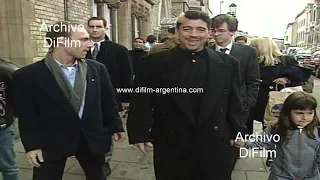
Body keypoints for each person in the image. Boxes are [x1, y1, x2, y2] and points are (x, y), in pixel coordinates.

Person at [127, 10, 245, 180]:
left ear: (209, 32)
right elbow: (141, 100)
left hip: (214, 142)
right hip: (171, 141)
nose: (194, 35)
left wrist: (238, 131)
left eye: (201, 29)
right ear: (177, 31)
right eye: (187, 29)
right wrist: (139, 132)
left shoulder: (228, 63)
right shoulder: (151, 63)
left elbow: (234, 101)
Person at [12, 21, 125, 180]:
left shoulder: (97, 69)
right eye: (83, 39)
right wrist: (32, 146)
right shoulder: (27, 75)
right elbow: (27, 115)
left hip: (91, 138)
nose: (89, 44)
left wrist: (116, 126)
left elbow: (107, 100)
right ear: (62, 41)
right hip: (51, 141)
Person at [249, 37, 310, 166]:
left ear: (262, 47)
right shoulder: (254, 61)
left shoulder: (286, 60)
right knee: (270, 128)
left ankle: (280, 155)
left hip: (281, 100)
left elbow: (301, 74)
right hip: (261, 101)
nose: (252, 49)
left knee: (282, 128)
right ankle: (272, 154)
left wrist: (287, 78)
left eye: (254, 47)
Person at [210, 14, 260, 169]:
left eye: (220, 30)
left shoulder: (247, 52)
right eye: (213, 30)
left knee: (232, 148)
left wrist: (248, 102)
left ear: (232, 32)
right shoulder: (206, 51)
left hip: (238, 109)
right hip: (211, 109)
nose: (216, 34)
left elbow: (253, 80)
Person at [86, 17, 133, 177]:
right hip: (85, 97)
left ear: (106, 28)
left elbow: (126, 75)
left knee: (107, 130)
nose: (94, 30)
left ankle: (104, 160)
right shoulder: (80, 48)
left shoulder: (118, 50)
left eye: (98, 26)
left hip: (110, 98)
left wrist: (126, 99)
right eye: (91, 26)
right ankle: (90, 156)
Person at [235, 92, 320, 180]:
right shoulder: (277, 129)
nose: (305, 118)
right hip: (281, 176)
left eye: (310, 113)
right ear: (288, 112)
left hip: (310, 177)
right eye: (299, 113)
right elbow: (262, 141)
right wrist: (244, 143)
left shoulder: (317, 131)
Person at [0, 59, 19, 180]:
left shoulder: (6, 71)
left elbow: (18, 96)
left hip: (3, 128)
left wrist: (10, 115)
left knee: (8, 166)